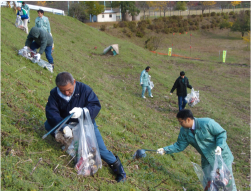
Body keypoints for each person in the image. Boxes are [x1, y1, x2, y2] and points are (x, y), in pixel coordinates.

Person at [44, 72, 126, 182]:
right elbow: (51, 112)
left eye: (69, 90)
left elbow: (95, 105)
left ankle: (120, 170)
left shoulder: (84, 90)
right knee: (48, 125)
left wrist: (83, 111)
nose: (67, 93)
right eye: (63, 91)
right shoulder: (54, 93)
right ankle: (70, 145)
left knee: (100, 150)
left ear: (74, 82)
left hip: (86, 124)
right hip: (68, 124)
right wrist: (63, 127)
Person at [156, 109, 237, 190]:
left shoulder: (207, 123)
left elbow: (221, 133)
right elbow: (179, 145)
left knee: (227, 183)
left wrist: (219, 146)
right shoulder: (184, 131)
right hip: (207, 159)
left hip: (222, 157)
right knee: (210, 184)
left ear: (188, 120)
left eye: (181, 122)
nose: (180, 124)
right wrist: (164, 150)